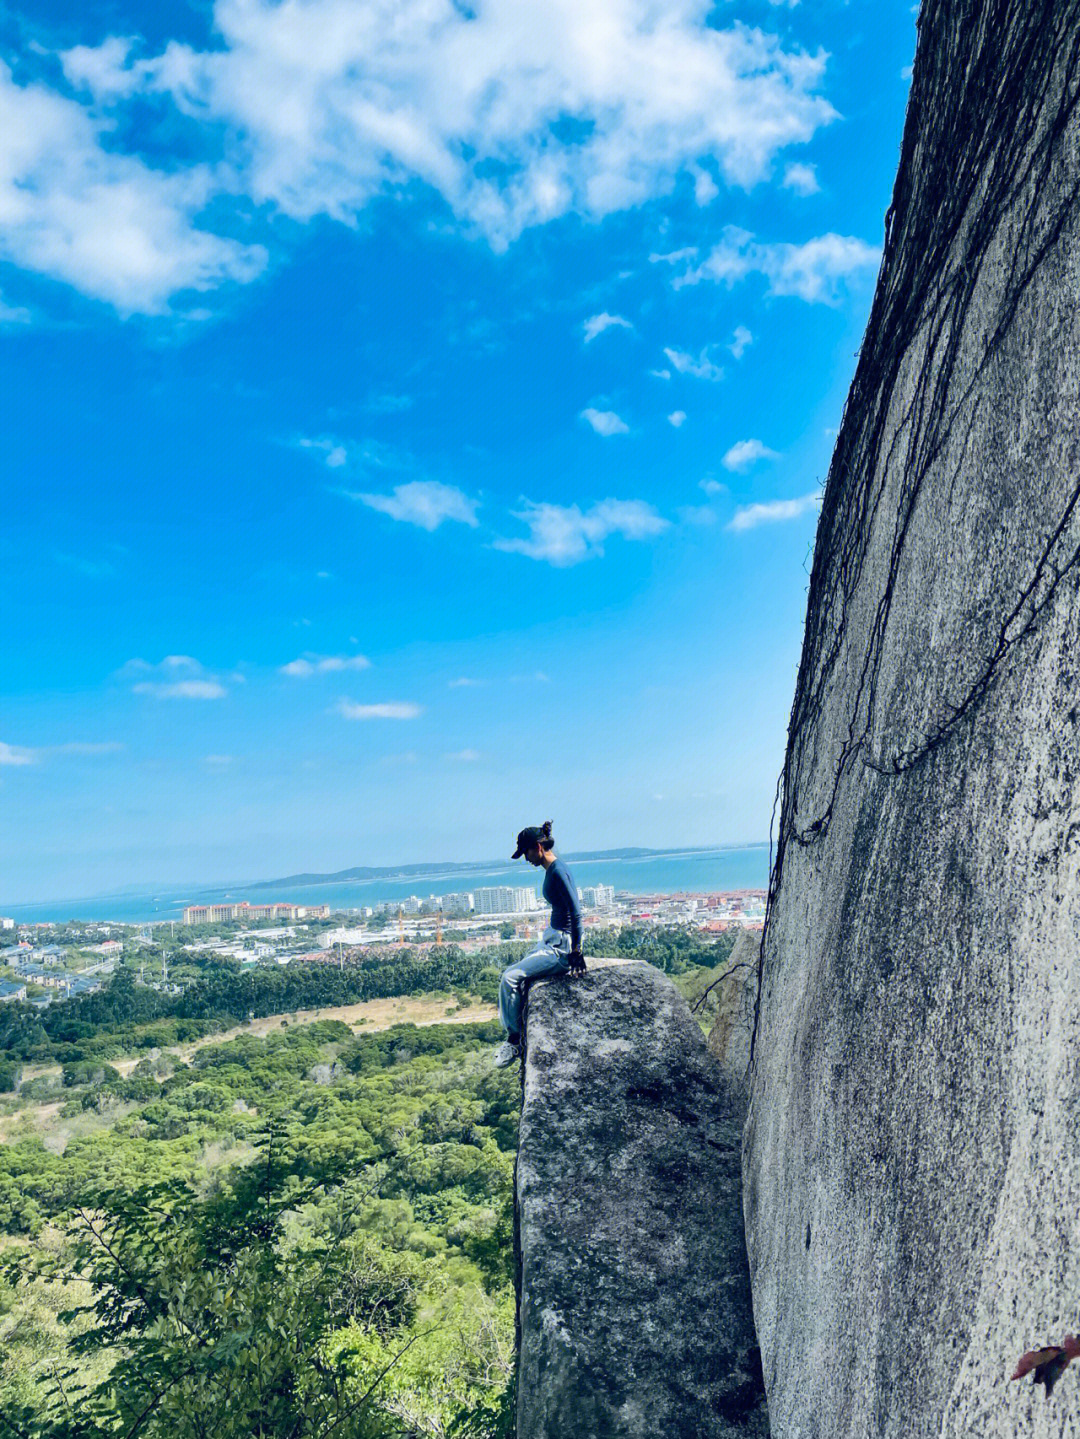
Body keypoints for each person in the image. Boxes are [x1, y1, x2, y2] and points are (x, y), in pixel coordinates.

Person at [493, 820, 585, 1069]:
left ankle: (514, 1041)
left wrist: (576, 951)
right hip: (551, 937)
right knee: (518, 970)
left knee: (510, 977)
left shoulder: (557, 870)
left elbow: (576, 912)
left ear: (538, 847)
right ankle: (517, 1033)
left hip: (560, 947)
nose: (526, 859)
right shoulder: (553, 869)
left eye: (526, 852)